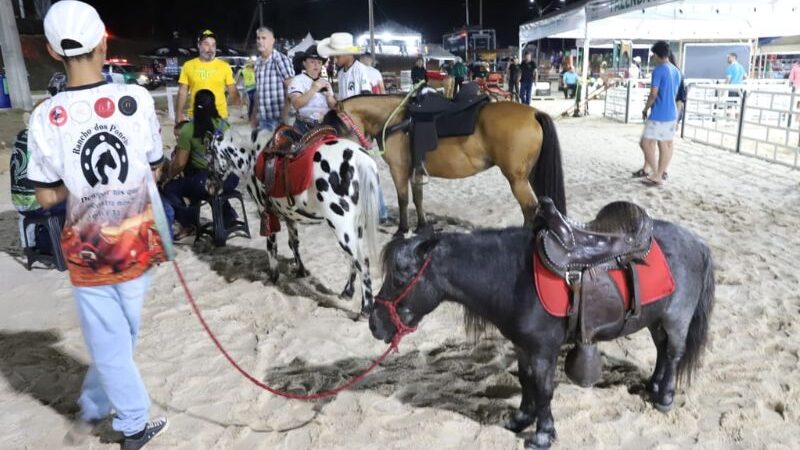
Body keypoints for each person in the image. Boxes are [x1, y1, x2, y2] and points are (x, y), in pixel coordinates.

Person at [27, 2, 171, 448]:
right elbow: (156, 167)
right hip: (137, 243)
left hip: (88, 251)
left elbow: (46, 195)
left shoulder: (45, 117)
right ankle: (130, 423)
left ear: (53, 51)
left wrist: (81, 187)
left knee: (113, 340)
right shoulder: (137, 100)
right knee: (119, 337)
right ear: (104, 42)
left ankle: (101, 410)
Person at [318, 32, 389, 222]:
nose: (335, 58)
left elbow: (366, 100)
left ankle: (381, 211)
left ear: (349, 54)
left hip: (359, 129)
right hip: (348, 128)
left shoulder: (360, 70)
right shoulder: (342, 73)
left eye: (338, 54)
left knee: (366, 167)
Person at [162, 90, 239, 237]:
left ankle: (188, 223)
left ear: (194, 105)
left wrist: (168, 177)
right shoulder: (225, 125)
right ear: (214, 105)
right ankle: (228, 217)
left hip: (205, 182)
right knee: (209, 186)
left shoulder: (188, 129)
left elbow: (179, 164)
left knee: (171, 189)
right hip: (231, 179)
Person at [635, 41, 682, 187]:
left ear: (656, 54)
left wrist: (645, 108)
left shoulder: (659, 70)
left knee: (645, 143)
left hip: (659, 112)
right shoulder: (676, 70)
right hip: (672, 112)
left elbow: (653, 94)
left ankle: (656, 173)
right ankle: (659, 173)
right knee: (666, 144)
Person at [175, 29, 240, 125]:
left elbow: (232, 89)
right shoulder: (188, 66)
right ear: (198, 45)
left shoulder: (224, 66)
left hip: (220, 117)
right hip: (196, 117)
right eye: (206, 44)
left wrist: (239, 104)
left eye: (213, 45)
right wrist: (179, 113)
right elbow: (182, 91)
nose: (210, 48)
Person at [252, 26, 294, 132]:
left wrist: (284, 116)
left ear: (272, 41)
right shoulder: (257, 63)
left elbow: (292, 89)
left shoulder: (280, 60)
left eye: (264, 38)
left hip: (279, 119)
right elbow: (259, 92)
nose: (260, 41)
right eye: (258, 38)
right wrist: (254, 115)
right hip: (263, 118)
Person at [288, 45, 337, 134]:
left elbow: (334, 107)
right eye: (312, 61)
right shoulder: (297, 80)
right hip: (304, 126)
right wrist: (313, 89)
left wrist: (330, 97)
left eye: (319, 62)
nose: (316, 65)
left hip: (325, 125)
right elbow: (296, 104)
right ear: (304, 63)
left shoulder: (324, 82)